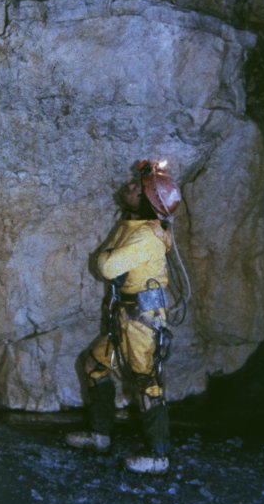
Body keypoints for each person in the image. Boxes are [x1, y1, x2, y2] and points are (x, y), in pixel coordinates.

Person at [66, 160, 182, 474]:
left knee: (147, 382)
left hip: (141, 320)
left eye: (136, 188)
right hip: (126, 317)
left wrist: (103, 257)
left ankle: (158, 456)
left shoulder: (146, 236)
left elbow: (106, 267)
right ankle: (100, 436)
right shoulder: (132, 227)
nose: (129, 187)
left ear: (145, 201)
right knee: (93, 364)